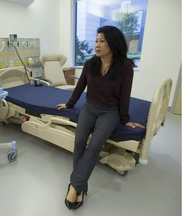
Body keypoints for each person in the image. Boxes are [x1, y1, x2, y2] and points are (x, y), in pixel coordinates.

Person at [56, 25, 145, 210]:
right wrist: (69, 104)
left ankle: (74, 186)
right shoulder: (91, 64)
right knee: (79, 141)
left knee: (95, 145)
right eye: (96, 41)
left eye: (102, 41)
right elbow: (80, 87)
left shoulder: (125, 66)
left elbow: (124, 95)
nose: (97, 45)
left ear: (113, 43)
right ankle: (80, 185)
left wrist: (125, 118)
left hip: (110, 111)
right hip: (90, 107)